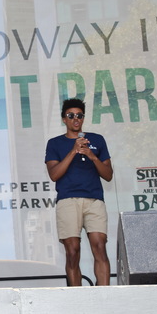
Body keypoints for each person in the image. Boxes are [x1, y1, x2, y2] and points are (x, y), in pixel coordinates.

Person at [44, 98, 113, 286]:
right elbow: (54, 174)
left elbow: (108, 175)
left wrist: (91, 155)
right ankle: (77, 298)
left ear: (83, 118)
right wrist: (74, 151)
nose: (76, 119)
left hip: (94, 200)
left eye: (79, 115)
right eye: (71, 115)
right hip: (68, 200)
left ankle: (105, 296)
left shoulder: (97, 140)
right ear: (64, 119)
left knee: (100, 247)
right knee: (72, 250)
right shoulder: (55, 143)